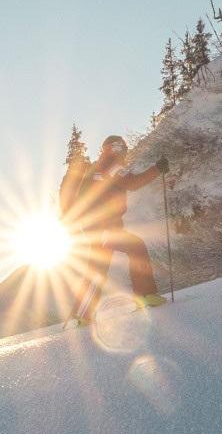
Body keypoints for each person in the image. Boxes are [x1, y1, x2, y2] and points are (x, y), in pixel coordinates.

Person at [71, 136, 170, 322]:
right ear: (113, 148)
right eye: (121, 146)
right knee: (136, 247)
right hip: (104, 226)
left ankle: (84, 315)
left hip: (95, 227)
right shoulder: (112, 166)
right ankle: (146, 295)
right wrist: (158, 168)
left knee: (98, 267)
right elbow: (133, 183)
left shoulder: (98, 167)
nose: (124, 150)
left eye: (124, 146)